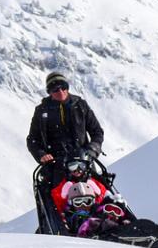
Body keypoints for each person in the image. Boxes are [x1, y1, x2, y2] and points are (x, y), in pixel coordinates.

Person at [28, 72, 105, 224]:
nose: (61, 91)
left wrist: (91, 151)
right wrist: (42, 155)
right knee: (59, 199)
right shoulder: (42, 111)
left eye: (64, 87)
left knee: (99, 192)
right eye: (55, 89)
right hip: (56, 165)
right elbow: (32, 140)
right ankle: (66, 227)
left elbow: (97, 132)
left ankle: (105, 220)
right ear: (49, 91)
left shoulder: (80, 105)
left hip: (84, 161)